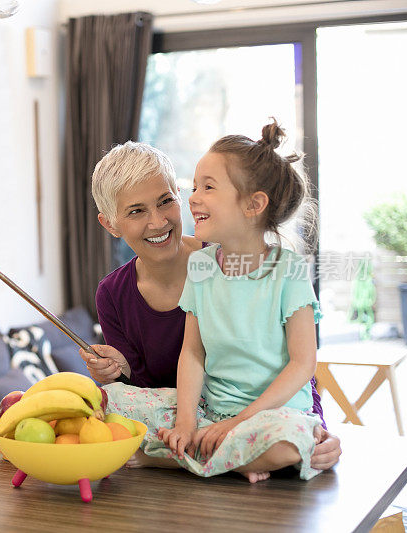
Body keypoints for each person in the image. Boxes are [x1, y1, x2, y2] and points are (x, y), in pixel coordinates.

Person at [80, 136, 341, 476]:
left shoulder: (277, 267)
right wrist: (127, 375)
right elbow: (187, 357)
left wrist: (315, 429)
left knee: (287, 446)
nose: (160, 221)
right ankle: (231, 456)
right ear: (110, 223)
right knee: (105, 401)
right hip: (204, 411)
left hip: (264, 415)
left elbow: (301, 366)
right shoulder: (193, 269)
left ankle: (186, 457)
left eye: (166, 200)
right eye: (136, 211)